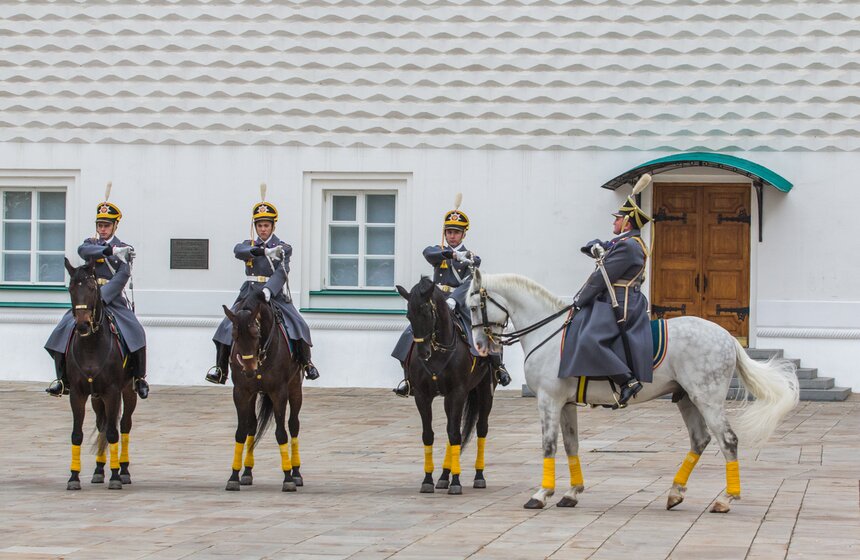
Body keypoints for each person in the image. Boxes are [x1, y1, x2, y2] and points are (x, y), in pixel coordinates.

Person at [391, 202, 511, 396]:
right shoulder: (438, 251)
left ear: (464, 234)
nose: (452, 236)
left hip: (460, 301)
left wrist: (454, 298)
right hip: (437, 299)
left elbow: (470, 280)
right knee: (411, 333)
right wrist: (449, 253)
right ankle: (408, 378)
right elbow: (428, 254)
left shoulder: (471, 256)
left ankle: (498, 367)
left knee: (483, 330)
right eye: (449, 232)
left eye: (456, 232)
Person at [205, 192, 319, 384]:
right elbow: (238, 251)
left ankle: (306, 363)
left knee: (299, 324)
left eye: (266, 225)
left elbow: (282, 272)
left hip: (272, 295)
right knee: (225, 327)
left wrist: (269, 289)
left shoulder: (283, 247)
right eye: (259, 226)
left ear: (273, 226)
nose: (262, 229)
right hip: (249, 294)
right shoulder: (247, 245)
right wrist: (262, 251)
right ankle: (220, 368)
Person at [560, 180, 653, 406]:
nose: (614, 221)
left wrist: (579, 300)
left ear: (627, 222)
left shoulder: (629, 245)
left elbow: (602, 278)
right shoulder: (628, 243)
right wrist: (594, 246)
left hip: (620, 303)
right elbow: (607, 248)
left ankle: (627, 380)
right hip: (618, 299)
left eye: (618, 218)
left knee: (590, 339)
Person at [45, 196, 149, 399]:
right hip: (87, 301)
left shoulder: (124, 247)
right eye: (100, 225)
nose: (102, 229)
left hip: (112, 301)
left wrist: (103, 296)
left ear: (115, 226)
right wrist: (108, 250)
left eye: (106, 225)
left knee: (136, 332)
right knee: (61, 330)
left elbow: (123, 274)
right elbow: (83, 251)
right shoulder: (91, 244)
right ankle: (62, 379)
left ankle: (139, 378)